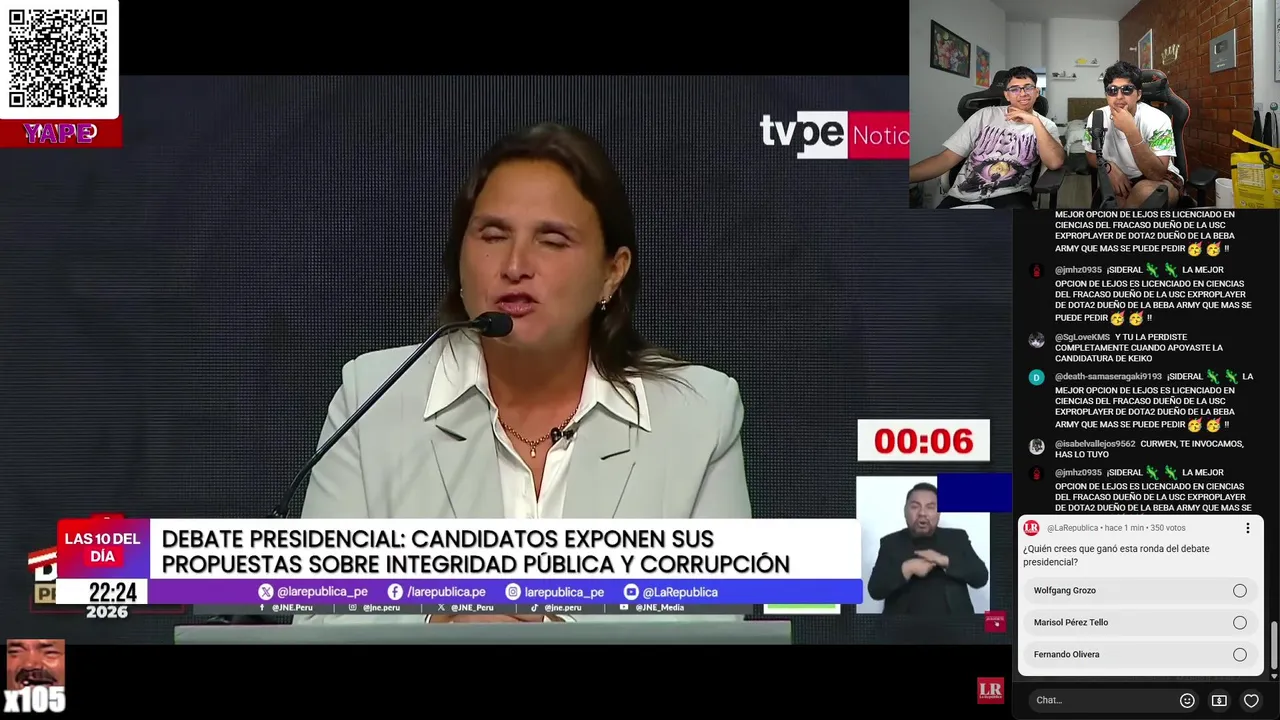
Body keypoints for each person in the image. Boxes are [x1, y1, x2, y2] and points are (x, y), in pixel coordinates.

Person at [294, 123, 751, 626]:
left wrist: (550, 633)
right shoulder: (373, 399)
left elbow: (716, 627)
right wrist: (440, 628)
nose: (515, 265)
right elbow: (317, 619)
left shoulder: (698, 415)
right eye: (493, 235)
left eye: (552, 240)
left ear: (612, 272)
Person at [909, 67, 1064, 209]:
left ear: (1037, 92)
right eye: (1015, 89)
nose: (1023, 93)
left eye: (1028, 87)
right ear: (1007, 95)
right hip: (962, 196)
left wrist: (1034, 121)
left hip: (1011, 197)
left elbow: (1055, 162)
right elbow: (946, 158)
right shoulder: (985, 115)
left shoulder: (1046, 125)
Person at [866, 483, 988, 615]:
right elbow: (875, 590)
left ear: (939, 512)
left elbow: (981, 577)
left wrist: (945, 561)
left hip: (953, 625)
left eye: (930, 507)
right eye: (915, 507)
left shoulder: (957, 538)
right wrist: (907, 569)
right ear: (905, 511)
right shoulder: (890, 543)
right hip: (904, 626)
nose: (922, 513)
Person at [1084, 61, 1182, 207]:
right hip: (1123, 177)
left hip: (1161, 178)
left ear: (1138, 94)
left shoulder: (1158, 119)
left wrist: (1130, 131)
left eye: (1127, 89)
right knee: (1115, 201)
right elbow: (1091, 154)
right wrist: (1108, 167)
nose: (1119, 96)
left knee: (1144, 193)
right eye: (1112, 90)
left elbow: (1157, 174)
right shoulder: (1097, 116)